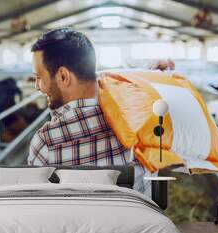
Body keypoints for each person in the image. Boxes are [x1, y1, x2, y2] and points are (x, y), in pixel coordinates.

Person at [27, 28, 174, 194]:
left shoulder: (46, 142)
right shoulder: (140, 114)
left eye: (39, 77)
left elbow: (37, 204)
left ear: (63, 76)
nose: (37, 86)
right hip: (138, 215)